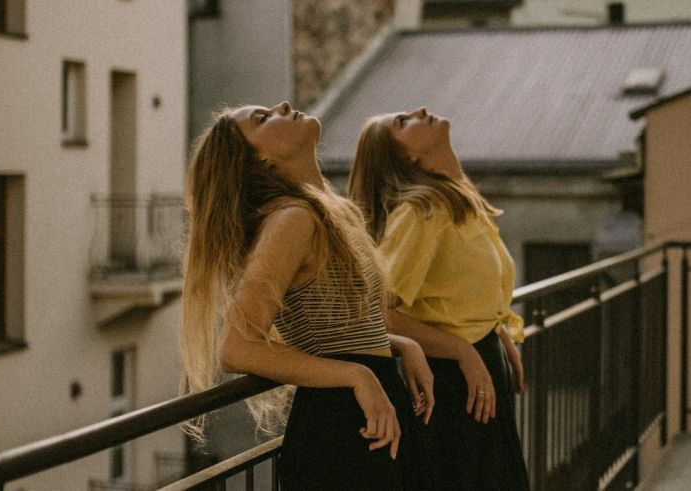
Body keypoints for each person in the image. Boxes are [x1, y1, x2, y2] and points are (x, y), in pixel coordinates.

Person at [180, 101, 434, 490]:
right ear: (259, 161)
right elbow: (237, 349)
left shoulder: (331, 213)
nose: (283, 105)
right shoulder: (292, 220)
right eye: (262, 119)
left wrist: (401, 345)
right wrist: (359, 375)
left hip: (366, 412)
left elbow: (340, 330)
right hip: (341, 427)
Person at [349, 107, 530, 490]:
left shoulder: (458, 201)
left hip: (477, 367)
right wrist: (465, 351)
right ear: (407, 159)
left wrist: (495, 331)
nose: (419, 111)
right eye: (402, 122)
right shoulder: (422, 212)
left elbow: (456, 291)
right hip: (450, 379)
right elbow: (377, 314)